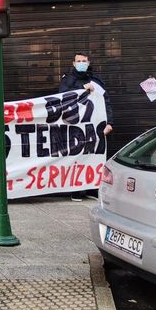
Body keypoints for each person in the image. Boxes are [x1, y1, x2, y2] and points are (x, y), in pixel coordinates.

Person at [59, 51, 113, 201]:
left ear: (88, 63)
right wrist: (83, 88)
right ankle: (76, 190)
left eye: (84, 61)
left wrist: (109, 122)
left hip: (94, 127)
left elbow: (105, 101)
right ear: (74, 64)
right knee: (76, 157)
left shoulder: (96, 80)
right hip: (76, 126)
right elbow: (62, 95)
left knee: (94, 156)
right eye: (79, 61)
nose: (82, 63)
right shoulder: (68, 80)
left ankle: (92, 188)